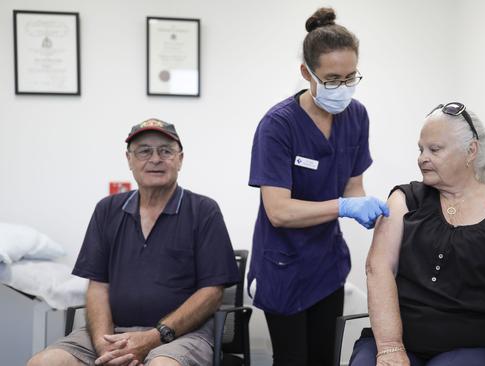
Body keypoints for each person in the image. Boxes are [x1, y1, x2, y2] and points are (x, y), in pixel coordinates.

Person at [350, 102, 485, 366]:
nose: (422, 158)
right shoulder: (405, 199)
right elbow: (378, 268)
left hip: (473, 345)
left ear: (471, 151)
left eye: (435, 149)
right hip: (398, 340)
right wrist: (389, 348)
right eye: (420, 149)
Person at [28, 119, 240, 366]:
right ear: (129, 159)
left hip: (180, 336)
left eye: (165, 151)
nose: (155, 159)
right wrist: (105, 347)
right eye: (144, 151)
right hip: (110, 333)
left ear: (180, 159)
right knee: (44, 363)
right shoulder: (107, 210)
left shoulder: (204, 211)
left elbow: (212, 294)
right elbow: (98, 286)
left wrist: (153, 338)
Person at [247, 7, 389, 366]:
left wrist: (366, 209)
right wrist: (343, 206)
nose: (342, 88)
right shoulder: (278, 126)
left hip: (326, 265)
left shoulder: (357, 117)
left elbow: (353, 183)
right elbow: (278, 212)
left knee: (325, 357)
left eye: (350, 77)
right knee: (293, 359)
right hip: (282, 266)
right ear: (306, 73)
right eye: (331, 79)